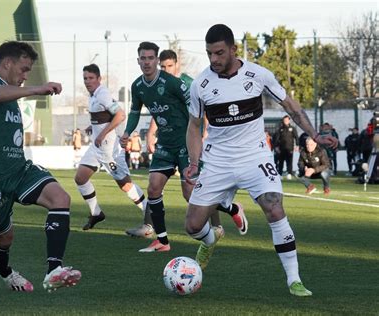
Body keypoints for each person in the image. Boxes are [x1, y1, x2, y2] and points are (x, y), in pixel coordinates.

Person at [184, 24, 338, 297]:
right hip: (218, 159)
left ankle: (294, 280)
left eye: (219, 53)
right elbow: (194, 126)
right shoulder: (201, 84)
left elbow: (291, 106)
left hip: (254, 155)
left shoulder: (258, 75)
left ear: (233, 49)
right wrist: (195, 163)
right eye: (209, 54)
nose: (214, 60)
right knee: (193, 226)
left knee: (274, 206)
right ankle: (210, 239)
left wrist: (314, 134)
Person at [0, 41, 81, 292]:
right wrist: (37, 89)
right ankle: (6, 273)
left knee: (60, 198)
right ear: (7, 63)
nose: (25, 75)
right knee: (4, 238)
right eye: (24, 68)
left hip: (18, 170)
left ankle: (54, 270)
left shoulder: (10, 92)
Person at [121, 42, 247, 252]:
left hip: (185, 144)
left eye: (150, 58)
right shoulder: (137, 86)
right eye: (143, 58)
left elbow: (197, 106)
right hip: (165, 144)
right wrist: (127, 132)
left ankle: (231, 208)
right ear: (138, 61)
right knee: (153, 187)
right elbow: (135, 112)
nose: (147, 62)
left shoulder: (173, 83)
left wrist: (202, 132)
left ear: (156, 61)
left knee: (191, 194)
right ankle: (162, 241)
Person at [145, 48, 244, 231]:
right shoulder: (160, 83)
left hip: (191, 141)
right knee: (169, 188)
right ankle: (220, 222)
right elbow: (159, 109)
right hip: (170, 142)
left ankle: (218, 224)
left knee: (195, 189)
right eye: (163, 66)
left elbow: (204, 107)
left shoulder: (188, 83)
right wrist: (151, 132)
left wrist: (205, 131)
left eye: (170, 66)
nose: (166, 70)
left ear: (177, 65)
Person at [74, 64, 151, 236]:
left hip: (109, 150)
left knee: (125, 185)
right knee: (80, 178)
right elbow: (103, 116)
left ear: (99, 79)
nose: (87, 81)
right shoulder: (93, 95)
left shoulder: (102, 93)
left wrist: (102, 133)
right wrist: (92, 126)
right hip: (96, 147)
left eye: (91, 78)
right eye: (85, 78)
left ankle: (149, 212)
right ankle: (96, 213)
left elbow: (120, 115)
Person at [274, 115, 298, 180]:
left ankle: (289, 173)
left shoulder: (292, 128)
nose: (285, 121)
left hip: (290, 148)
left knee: (289, 162)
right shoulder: (280, 129)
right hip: (281, 149)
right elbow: (277, 138)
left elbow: (296, 137)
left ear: (289, 120)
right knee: (280, 162)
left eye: (287, 120)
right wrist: (276, 147)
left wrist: (297, 145)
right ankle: (280, 174)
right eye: (284, 120)